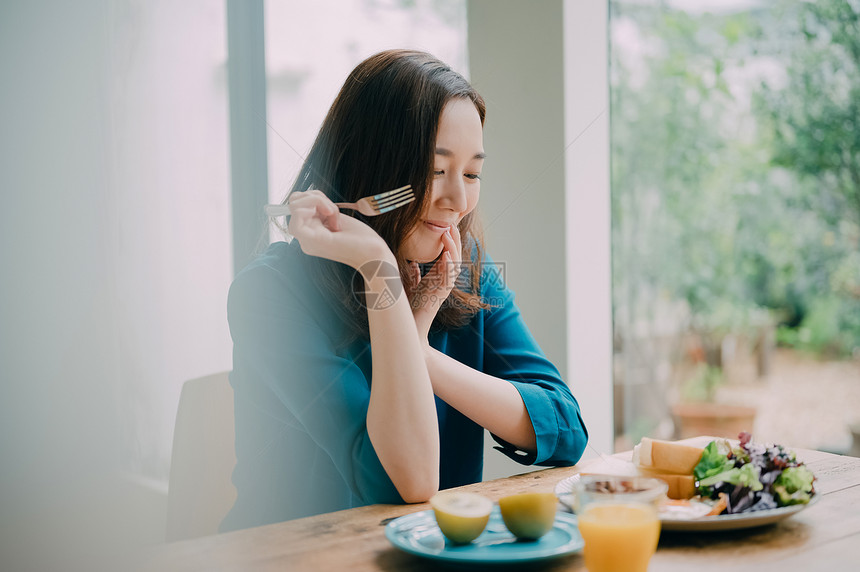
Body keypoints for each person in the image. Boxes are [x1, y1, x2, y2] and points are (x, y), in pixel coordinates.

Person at [220, 49, 588, 532]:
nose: (458, 199)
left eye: (472, 173)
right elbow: (403, 483)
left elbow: (564, 428)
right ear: (372, 165)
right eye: (435, 171)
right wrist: (379, 271)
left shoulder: (463, 267)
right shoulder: (270, 295)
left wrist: (419, 348)